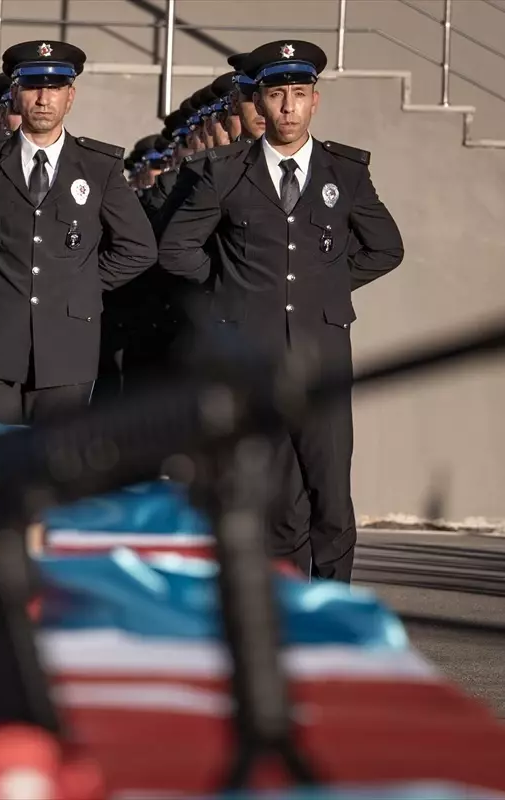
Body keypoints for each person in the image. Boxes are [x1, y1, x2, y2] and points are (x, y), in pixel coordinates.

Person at [157, 40, 404, 581]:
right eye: (277, 95)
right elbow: (176, 249)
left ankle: (331, 606)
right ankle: (288, 610)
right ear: (260, 104)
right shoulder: (224, 171)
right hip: (253, 358)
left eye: (298, 94)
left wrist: (328, 289)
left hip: (322, 354)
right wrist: (234, 293)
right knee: (280, 506)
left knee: (331, 497)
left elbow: (386, 248)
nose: (288, 107)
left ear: (315, 100)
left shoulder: (346, 172)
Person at [0, 40, 156, 424]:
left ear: (70, 96)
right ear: (15, 93)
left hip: (66, 346)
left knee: (55, 469)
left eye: (56, 88)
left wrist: (79, 284)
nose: (44, 98)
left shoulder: (98, 166)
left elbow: (138, 248)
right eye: (32, 87)